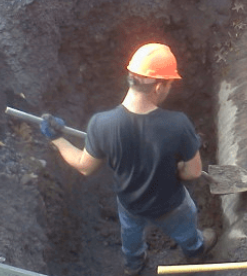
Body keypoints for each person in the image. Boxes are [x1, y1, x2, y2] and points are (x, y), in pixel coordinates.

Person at [39, 43, 216, 275]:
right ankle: (194, 251)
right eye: (170, 84)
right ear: (159, 86)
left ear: (131, 78)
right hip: (170, 204)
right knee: (186, 226)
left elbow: (84, 166)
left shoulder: (101, 124)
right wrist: (179, 167)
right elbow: (193, 172)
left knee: (131, 236)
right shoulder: (178, 124)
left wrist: (57, 139)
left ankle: (133, 266)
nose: (170, 88)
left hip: (130, 203)